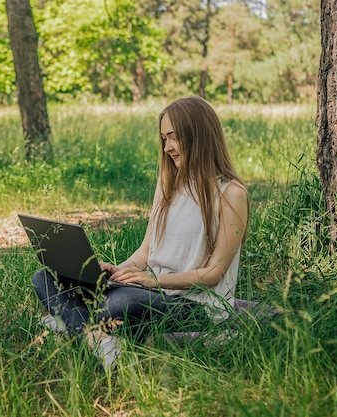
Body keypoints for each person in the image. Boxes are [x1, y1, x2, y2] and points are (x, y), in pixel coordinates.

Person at [31, 96, 250, 372]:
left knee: (122, 302)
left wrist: (152, 282)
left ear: (199, 135)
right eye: (163, 139)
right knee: (45, 276)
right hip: (148, 290)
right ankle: (97, 337)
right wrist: (116, 272)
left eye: (173, 137)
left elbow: (214, 273)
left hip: (192, 305)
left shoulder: (231, 194)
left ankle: (70, 322)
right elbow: (147, 251)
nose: (167, 147)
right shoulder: (169, 184)